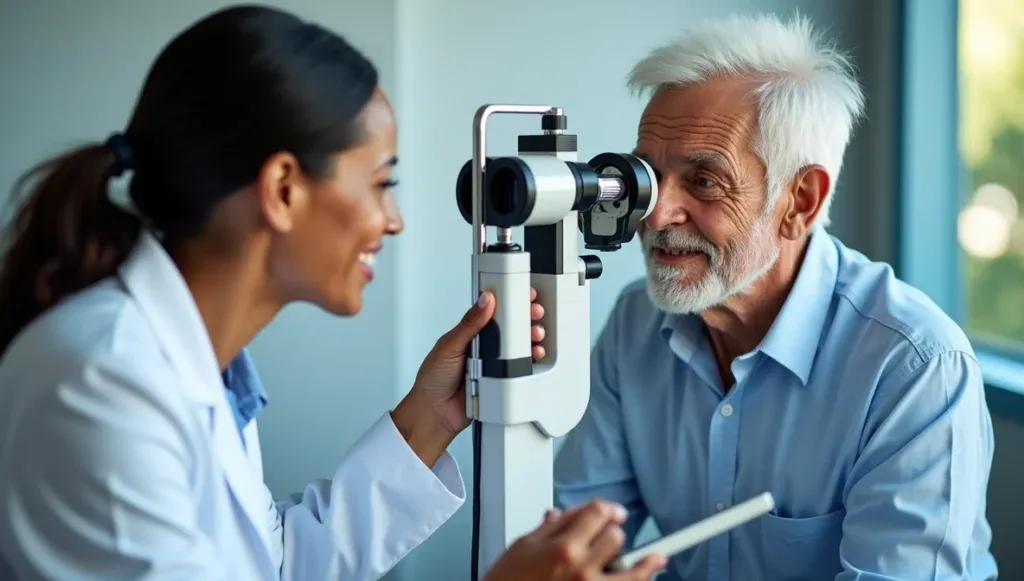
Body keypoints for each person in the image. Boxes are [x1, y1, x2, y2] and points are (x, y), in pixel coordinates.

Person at [0, 5, 667, 581]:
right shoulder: (103, 383)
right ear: (284, 188)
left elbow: (276, 563)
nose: (394, 219)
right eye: (381, 182)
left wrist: (432, 416)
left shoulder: (195, 367)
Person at [553, 12, 998, 581]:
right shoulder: (635, 324)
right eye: (647, 176)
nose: (656, 215)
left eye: (704, 181)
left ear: (801, 202)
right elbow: (577, 544)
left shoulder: (914, 367)